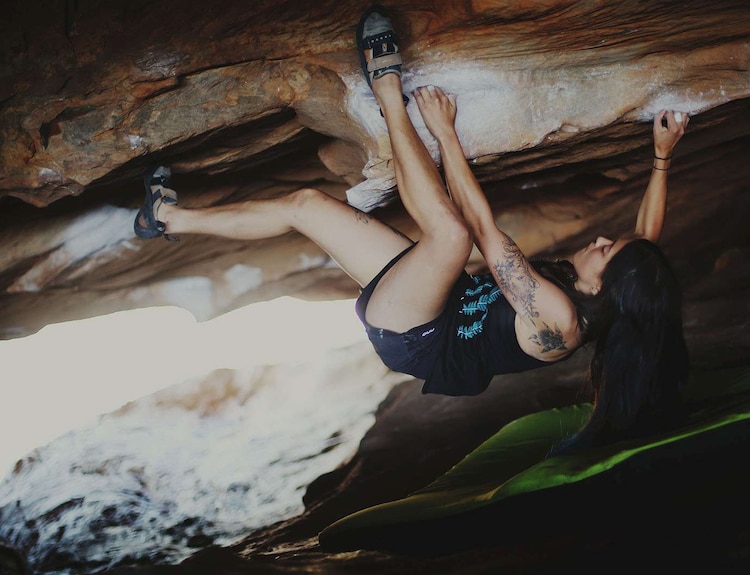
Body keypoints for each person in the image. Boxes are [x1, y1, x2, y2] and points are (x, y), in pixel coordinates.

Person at [133, 4, 690, 453]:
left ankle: (387, 91)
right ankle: (166, 217)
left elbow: (481, 227)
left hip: (418, 336)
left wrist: (444, 135)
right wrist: (661, 154)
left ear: (603, 286)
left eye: (605, 250)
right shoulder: (609, 292)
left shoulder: (562, 318)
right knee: (306, 205)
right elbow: (646, 236)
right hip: (437, 299)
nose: (598, 241)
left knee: (453, 237)